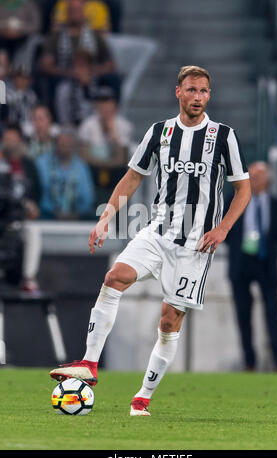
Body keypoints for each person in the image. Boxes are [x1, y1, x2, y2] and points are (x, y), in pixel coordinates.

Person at [49, 65, 251, 416]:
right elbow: (131, 178)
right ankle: (89, 364)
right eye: (191, 90)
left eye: (204, 91)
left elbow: (243, 189)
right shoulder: (160, 132)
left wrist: (222, 229)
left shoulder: (223, 136)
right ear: (178, 92)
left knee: (169, 322)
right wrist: (105, 219)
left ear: (209, 95)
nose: (198, 97)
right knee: (114, 278)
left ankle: (142, 397)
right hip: (156, 233)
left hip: (194, 246)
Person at [224, 161, 277, 373]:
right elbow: (225, 231)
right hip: (241, 262)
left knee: (273, 313)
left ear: (268, 179)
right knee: (243, 314)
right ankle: (249, 362)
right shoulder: (231, 202)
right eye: (251, 175)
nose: (255, 179)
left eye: (259, 175)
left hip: (266, 262)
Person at [0, 124, 42, 292]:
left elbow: (36, 197)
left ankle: (29, 278)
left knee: (33, 231)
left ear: (20, 142)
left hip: (19, 218)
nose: (10, 144)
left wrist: (30, 207)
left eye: (13, 140)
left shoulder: (29, 166)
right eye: (7, 140)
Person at [78, 84, 132, 205]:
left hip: (116, 176)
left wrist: (113, 135)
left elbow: (122, 159)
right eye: (101, 102)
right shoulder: (87, 125)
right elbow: (84, 157)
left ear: (115, 105)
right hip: (93, 175)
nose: (104, 106)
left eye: (107, 102)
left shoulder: (124, 126)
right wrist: (108, 162)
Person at [35, 126, 95, 220]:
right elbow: (40, 193)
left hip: (76, 216)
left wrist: (76, 214)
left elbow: (88, 198)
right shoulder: (42, 163)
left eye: (67, 144)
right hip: (48, 214)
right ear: (55, 144)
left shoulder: (82, 167)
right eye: (61, 144)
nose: (63, 147)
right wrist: (53, 211)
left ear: (73, 146)